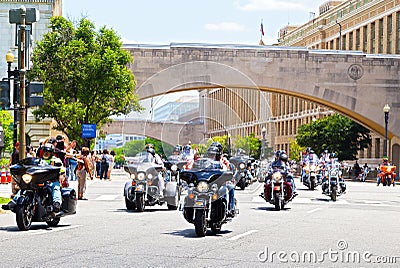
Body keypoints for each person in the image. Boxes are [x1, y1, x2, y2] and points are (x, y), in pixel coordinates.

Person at [2, 143, 65, 212]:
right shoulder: (38, 161)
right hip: (39, 180)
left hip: (51, 180)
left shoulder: (56, 160)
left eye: (48, 152)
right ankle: (13, 202)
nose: (46, 153)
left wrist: (61, 173)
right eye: (45, 152)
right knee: (25, 188)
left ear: (52, 153)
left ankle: (57, 203)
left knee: (55, 187)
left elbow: (61, 169)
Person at [206, 142, 235, 216]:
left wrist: (228, 176)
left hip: (221, 183)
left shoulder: (223, 161)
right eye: (210, 154)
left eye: (214, 154)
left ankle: (229, 209)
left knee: (229, 188)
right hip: (208, 183)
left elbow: (227, 170)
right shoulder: (205, 162)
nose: (212, 156)